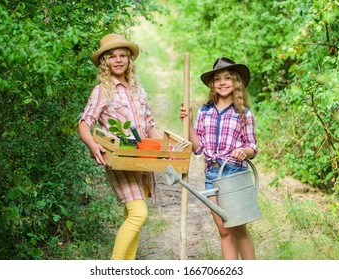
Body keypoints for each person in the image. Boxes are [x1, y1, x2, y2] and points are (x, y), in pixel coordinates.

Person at [78, 33, 162, 260]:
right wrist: (94, 146)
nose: (118, 60)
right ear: (105, 62)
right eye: (112, 56)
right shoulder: (102, 91)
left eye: (122, 55)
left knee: (131, 214)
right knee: (139, 213)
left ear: (129, 60)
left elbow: (150, 126)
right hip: (120, 159)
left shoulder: (137, 90)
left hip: (142, 160)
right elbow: (84, 124)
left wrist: (164, 149)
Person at [179, 57, 258, 260]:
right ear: (212, 84)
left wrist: (243, 151)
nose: (222, 82)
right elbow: (198, 148)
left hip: (233, 173)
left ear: (236, 83)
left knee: (238, 226)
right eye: (217, 79)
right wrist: (187, 125)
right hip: (212, 174)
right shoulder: (204, 112)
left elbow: (252, 147)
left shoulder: (243, 114)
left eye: (228, 78)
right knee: (223, 229)